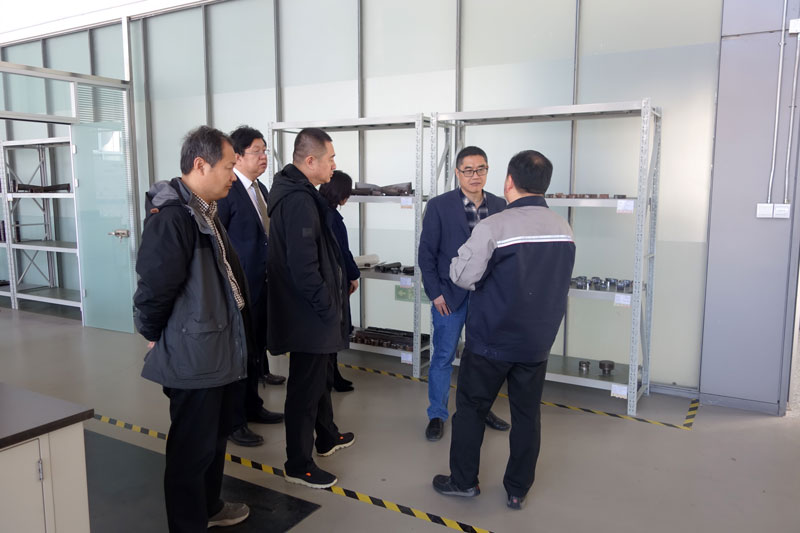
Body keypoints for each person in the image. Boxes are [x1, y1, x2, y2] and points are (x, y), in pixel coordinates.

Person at [432, 150, 576, 510]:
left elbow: (462, 276)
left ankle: (463, 481)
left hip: (490, 340)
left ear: (509, 181)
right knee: (527, 416)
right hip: (536, 343)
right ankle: (517, 489)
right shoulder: (564, 228)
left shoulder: (494, 226)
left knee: (471, 410)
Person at [133, 126, 251, 531]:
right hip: (195, 352)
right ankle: (188, 524)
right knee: (190, 449)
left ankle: (210, 507)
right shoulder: (173, 219)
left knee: (213, 440)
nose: (233, 175)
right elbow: (154, 288)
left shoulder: (205, 212)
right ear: (200, 165)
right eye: (229, 166)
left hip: (217, 347)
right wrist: (152, 333)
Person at [267, 128, 354, 489]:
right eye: (330, 158)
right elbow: (304, 269)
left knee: (317, 383)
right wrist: (328, 309)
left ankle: (326, 437)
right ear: (310, 160)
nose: (334, 165)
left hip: (310, 314)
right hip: (309, 317)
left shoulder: (301, 194)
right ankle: (298, 464)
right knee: (304, 391)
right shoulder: (299, 202)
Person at [418, 146, 510, 442]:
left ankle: (481, 410)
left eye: (481, 169)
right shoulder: (439, 206)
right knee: (443, 356)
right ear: (457, 173)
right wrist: (435, 294)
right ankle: (437, 414)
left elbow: (506, 253)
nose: (475, 175)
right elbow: (426, 254)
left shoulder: (499, 205)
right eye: (468, 170)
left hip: (487, 296)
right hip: (450, 296)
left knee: (483, 358)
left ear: (487, 170)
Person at [217, 125, 285, 448]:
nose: (263, 157)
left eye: (265, 151)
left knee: (256, 352)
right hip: (239, 289)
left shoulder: (261, 190)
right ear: (238, 156)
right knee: (240, 356)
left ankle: (253, 407)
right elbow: (220, 245)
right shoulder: (228, 192)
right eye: (257, 151)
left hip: (263, 286)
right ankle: (235, 422)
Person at [319, 170, 359, 393]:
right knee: (334, 330)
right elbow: (343, 251)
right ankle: (331, 377)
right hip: (335, 280)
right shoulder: (332, 217)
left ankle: (333, 375)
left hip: (325, 280)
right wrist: (353, 275)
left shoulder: (318, 210)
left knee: (330, 332)